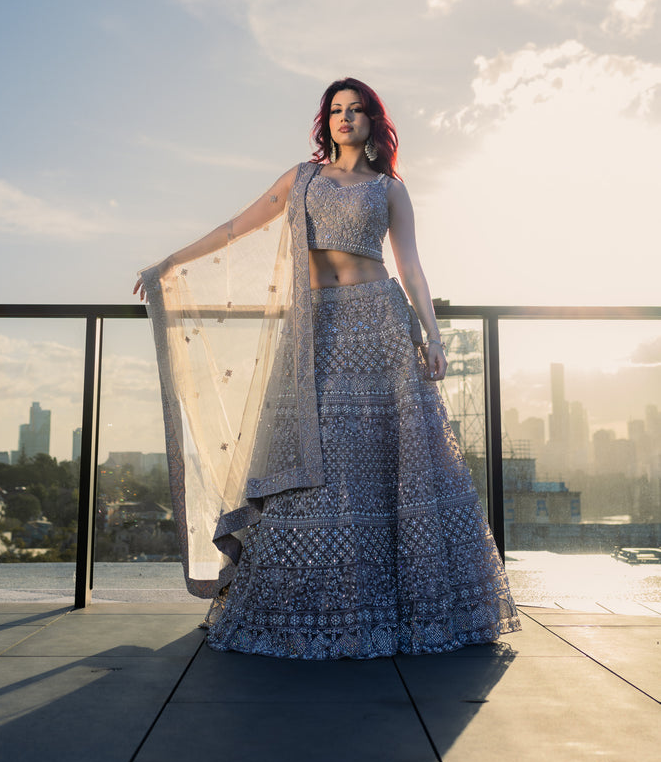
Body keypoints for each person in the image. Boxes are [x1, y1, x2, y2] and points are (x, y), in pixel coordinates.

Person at [135, 77, 520, 659]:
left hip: (381, 325)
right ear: (326, 121)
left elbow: (410, 266)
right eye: (336, 110)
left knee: (386, 461)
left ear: (371, 122)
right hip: (318, 329)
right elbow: (236, 227)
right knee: (312, 463)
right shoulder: (303, 178)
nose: (345, 118)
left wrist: (434, 338)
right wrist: (169, 263)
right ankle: (311, 603)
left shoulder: (389, 189)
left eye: (355, 110)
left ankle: (397, 607)